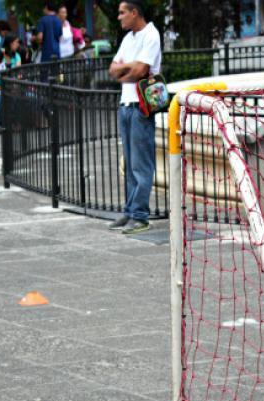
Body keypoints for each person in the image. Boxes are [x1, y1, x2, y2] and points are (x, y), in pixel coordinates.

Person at [107, 0, 161, 235]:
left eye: (122, 13)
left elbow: (141, 72)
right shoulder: (128, 38)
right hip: (126, 105)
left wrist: (127, 69)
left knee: (141, 164)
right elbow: (113, 70)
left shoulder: (151, 35)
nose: (119, 17)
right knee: (130, 163)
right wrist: (131, 69)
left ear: (134, 12)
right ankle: (130, 211)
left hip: (141, 106)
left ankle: (140, 215)